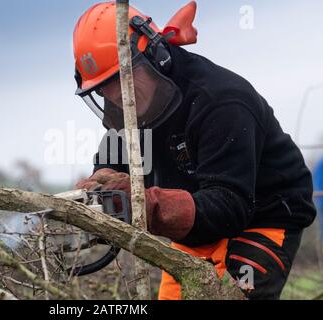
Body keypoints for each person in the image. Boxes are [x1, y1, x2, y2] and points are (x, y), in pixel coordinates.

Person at [73, 1, 316, 299]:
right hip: (198, 220)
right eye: (102, 88)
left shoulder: (222, 102)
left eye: (120, 81)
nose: (116, 98)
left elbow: (230, 206)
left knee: (228, 296)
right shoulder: (132, 104)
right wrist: (101, 186)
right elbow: (113, 161)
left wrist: (144, 205)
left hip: (262, 216)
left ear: (155, 56)